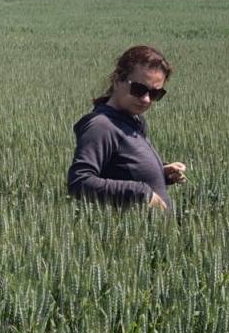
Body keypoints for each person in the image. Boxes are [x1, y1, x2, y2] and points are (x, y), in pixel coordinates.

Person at [67, 45, 187, 211]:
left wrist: (160, 171)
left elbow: (120, 169)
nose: (146, 99)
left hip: (156, 235)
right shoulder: (101, 126)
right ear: (117, 81)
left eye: (155, 94)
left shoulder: (134, 121)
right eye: (139, 89)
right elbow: (79, 182)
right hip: (132, 235)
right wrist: (141, 193)